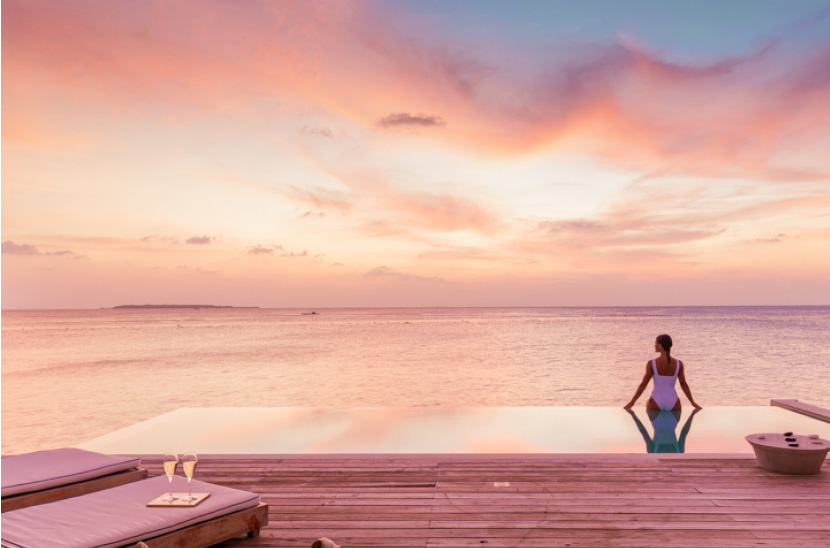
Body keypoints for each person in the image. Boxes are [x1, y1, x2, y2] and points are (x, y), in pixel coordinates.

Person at [624, 334, 702, 411]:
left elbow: (643, 384)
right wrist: (692, 402)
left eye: (655, 343)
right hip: (674, 402)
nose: (654, 345)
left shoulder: (652, 363)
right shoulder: (679, 364)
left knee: (647, 404)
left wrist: (632, 402)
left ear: (660, 346)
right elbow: (683, 384)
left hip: (655, 402)